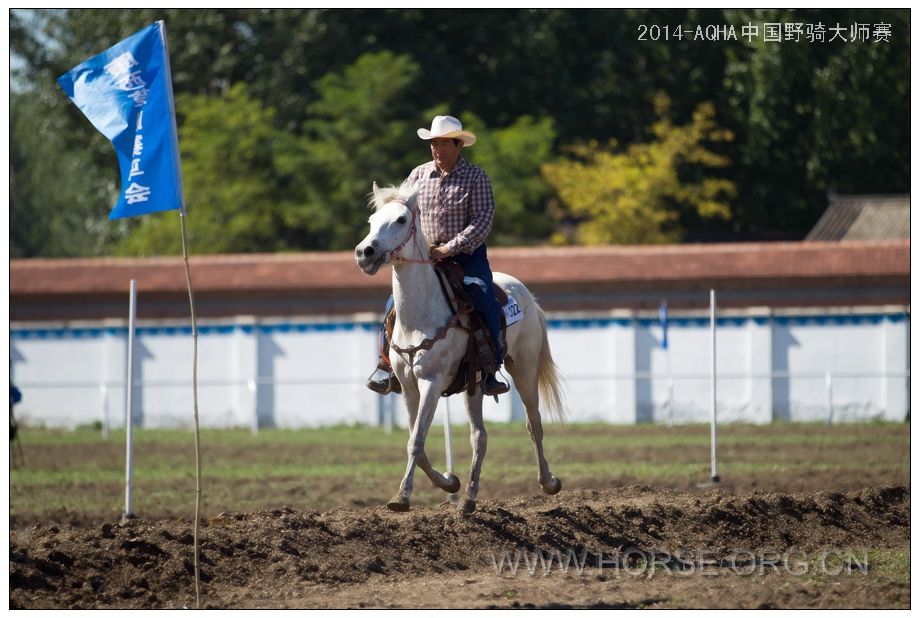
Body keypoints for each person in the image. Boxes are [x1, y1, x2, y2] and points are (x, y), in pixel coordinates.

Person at [367, 115, 510, 397]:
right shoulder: (418, 176)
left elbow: (482, 221)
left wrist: (450, 247)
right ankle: (385, 365)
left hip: (467, 256)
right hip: (426, 257)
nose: (438, 150)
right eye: (434, 144)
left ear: (459, 146)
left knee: (481, 292)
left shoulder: (476, 177)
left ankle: (492, 367)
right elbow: (403, 212)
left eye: (445, 143)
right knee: (392, 303)